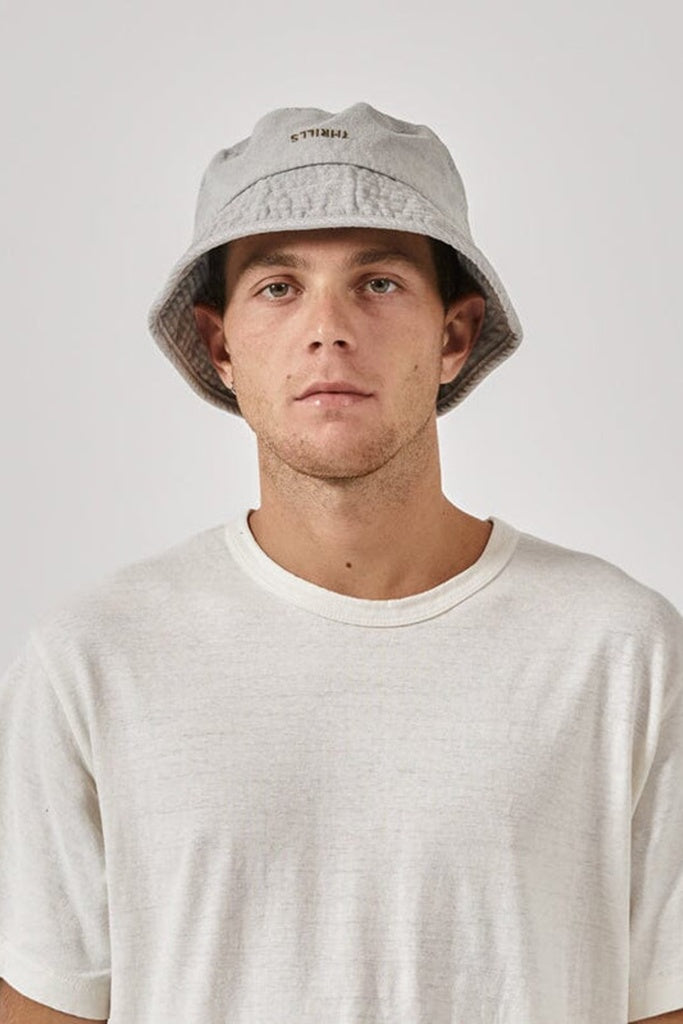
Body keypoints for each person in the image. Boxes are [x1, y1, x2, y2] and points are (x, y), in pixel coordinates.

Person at [0, 102, 681, 1024]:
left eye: (379, 282)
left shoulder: (619, 651)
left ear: (452, 335)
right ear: (220, 344)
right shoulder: (94, 658)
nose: (328, 328)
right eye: (279, 286)